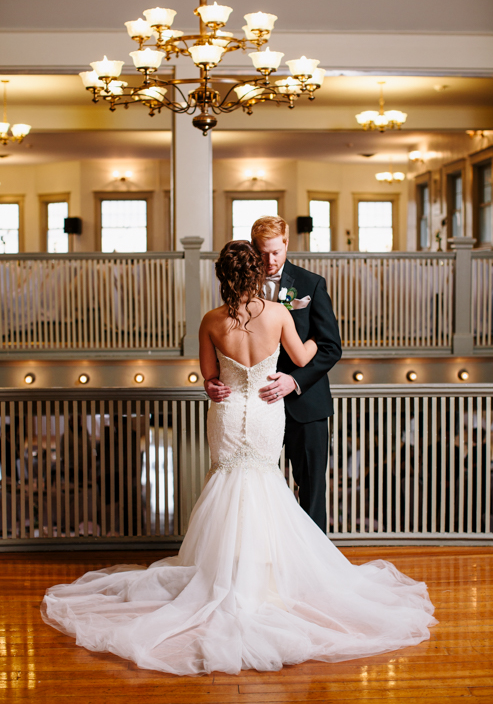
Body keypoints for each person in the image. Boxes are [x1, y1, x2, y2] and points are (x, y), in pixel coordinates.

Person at [41, 240, 436, 677]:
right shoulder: (278, 314)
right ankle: (266, 581)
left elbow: (209, 379)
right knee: (266, 487)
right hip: (267, 409)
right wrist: (293, 336)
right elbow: (306, 357)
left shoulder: (210, 320)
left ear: (223, 277)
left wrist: (215, 385)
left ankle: (223, 576)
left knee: (227, 487)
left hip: (228, 413)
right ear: (253, 275)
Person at [205, 217, 342, 533]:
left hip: (303, 406)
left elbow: (331, 347)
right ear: (253, 250)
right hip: (252, 410)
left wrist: (294, 381)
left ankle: (310, 567)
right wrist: (211, 383)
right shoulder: (235, 293)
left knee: (310, 492)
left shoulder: (312, 284)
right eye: (264, 254)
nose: (270, 261)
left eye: (277, 253)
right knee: (250, 490)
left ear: (287, 244)